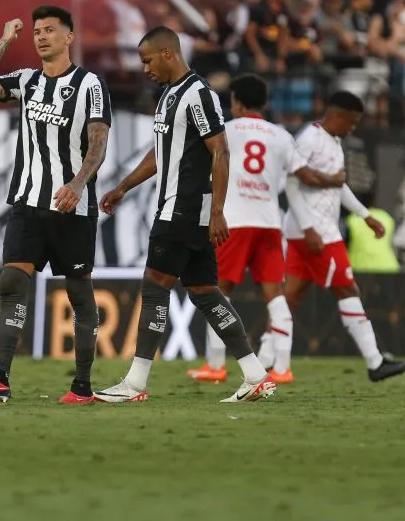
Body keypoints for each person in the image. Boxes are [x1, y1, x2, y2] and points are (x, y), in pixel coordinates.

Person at [93, 27, 276, 404]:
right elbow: (162, 153)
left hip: (182, 209)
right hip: (185, 210)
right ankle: (256, 374)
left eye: (147, 60)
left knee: (155, 289)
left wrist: (219, 211)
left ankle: (135, 383)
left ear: (168, 54)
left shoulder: (198, 94)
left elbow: (221, 152)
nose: (144, 69)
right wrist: (124, 186)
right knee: (206, 294)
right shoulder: (168, 96)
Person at [0, 5, 112, 405]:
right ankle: (0, 377)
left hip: (71, 208)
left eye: (49, 30)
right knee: (11, 283)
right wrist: (5, 39)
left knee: (79, 295)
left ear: (68, 37)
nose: (41, 36)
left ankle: (81, 386)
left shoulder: (90, 84)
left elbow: (98, 141)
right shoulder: (27, 80)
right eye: (36, 31)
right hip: (28, 202)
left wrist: (79, 183)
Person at [186, 74, 346, 384]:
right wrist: (334, 180)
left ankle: (216, 365)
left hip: (233, 221)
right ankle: (283, 368)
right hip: (270, 224)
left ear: (237, 103)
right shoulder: (281, 136)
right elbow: (307, 177)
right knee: (275, 295)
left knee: (217, 293)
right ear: (264, 103)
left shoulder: (224, 131)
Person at [274, 91, 405, 382]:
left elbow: (338, 187)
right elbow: (291, 185)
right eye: (351, 123)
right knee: (348, 291)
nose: (353, 129)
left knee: (290, 297)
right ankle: (375, 362)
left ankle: (270, 362)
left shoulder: (334, 142)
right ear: (337, 115)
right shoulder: (309, 140)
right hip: (318, 233)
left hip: (307, 231)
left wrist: (365, 216)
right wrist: (310, 228)